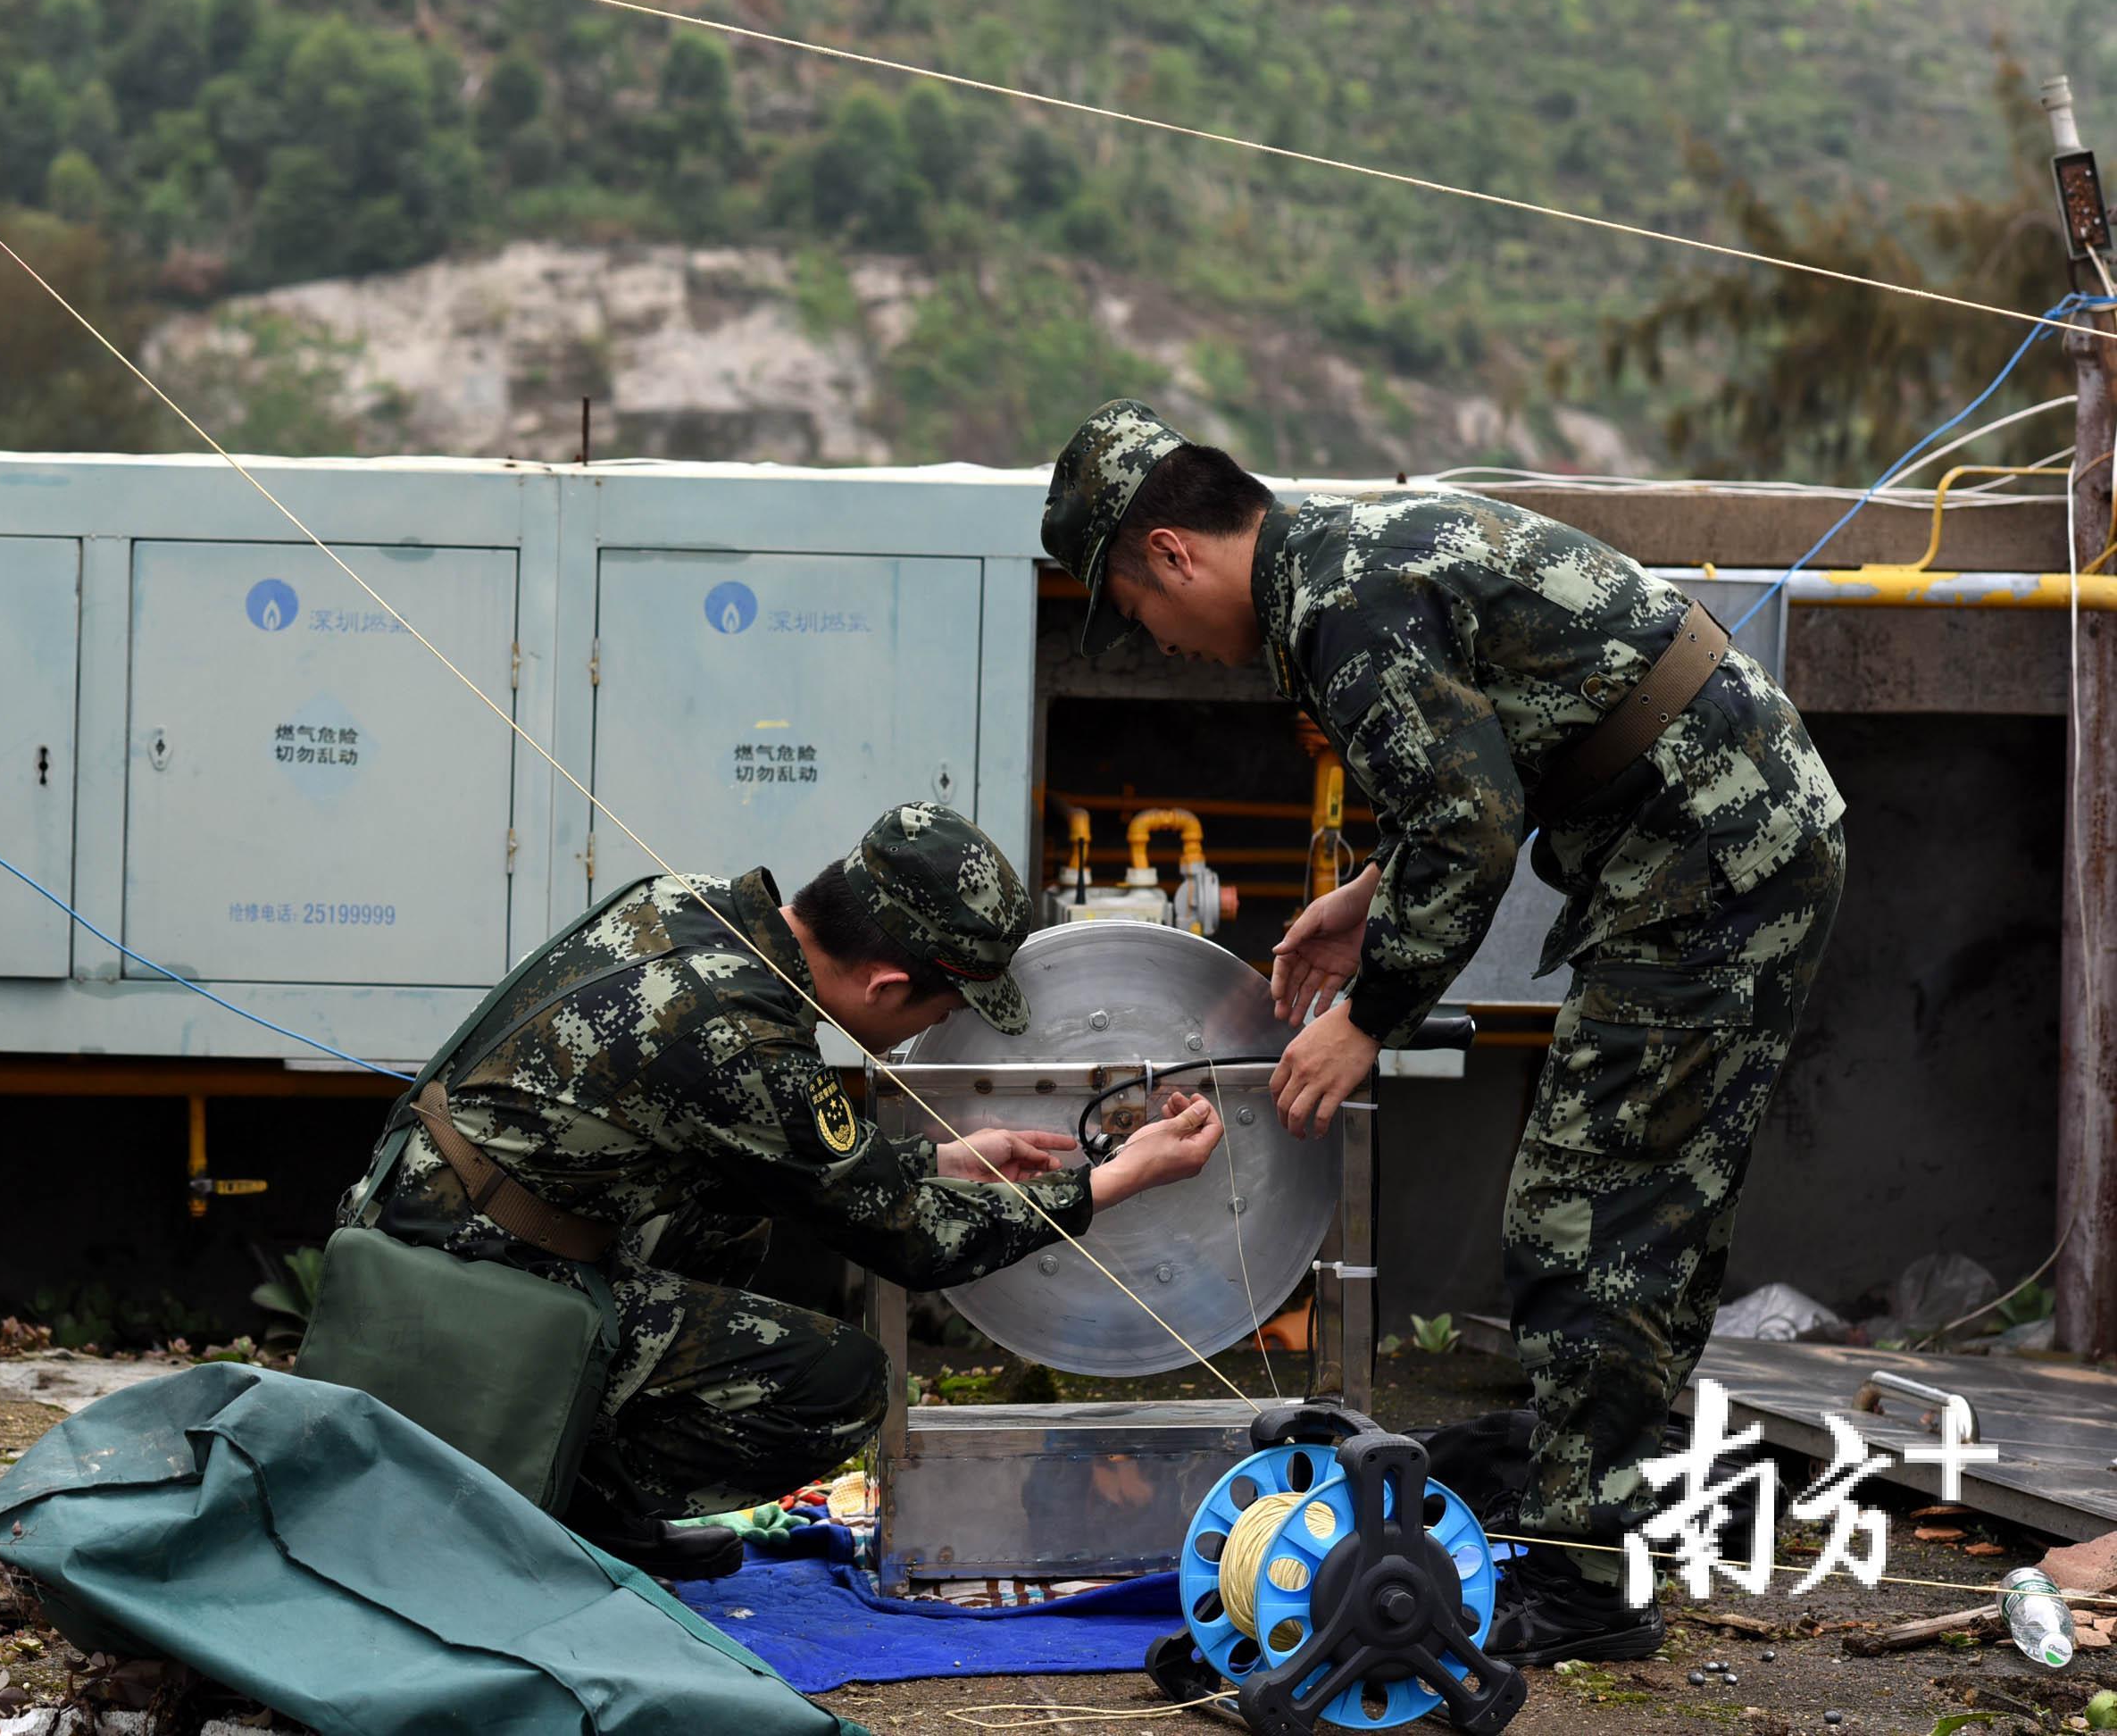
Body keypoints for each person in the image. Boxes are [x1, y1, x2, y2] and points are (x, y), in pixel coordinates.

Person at [1041, 401, 1845, 1665]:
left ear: (1172, 553)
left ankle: (1591, 1590)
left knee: (1594, 1219)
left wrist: (1369, 1019)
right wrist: (1365, 905)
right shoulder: (1342, 559)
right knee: (1630, 1212)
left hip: (1713, 858)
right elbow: (1488, 767)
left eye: (1134, 607)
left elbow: (1470, 829)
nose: (1160, 640)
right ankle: (1599, 1493)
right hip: (1707, 842)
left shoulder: (1339, 607)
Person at [337, 801, 1226, 1577]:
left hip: (439, 1217)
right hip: (466, 1293)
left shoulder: (695, 907)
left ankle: (590, 1496)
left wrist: (937, 1159)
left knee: (734, 1206)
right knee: (837, 1383)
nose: (938, 1027)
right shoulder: (746, 1038)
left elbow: (784, 1151)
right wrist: (1113, 1179)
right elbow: (909, 1239)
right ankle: (550, 1505)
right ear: (886, 981)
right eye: (944, 1009)